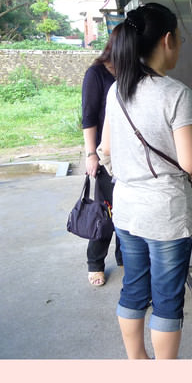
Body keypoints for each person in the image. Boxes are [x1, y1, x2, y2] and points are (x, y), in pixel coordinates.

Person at [100, 3, 192, 359]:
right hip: (164, 214)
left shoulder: (116, 91)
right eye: (179, 39)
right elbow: (190, 160)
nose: (178, 45)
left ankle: (137, 362)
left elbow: (104, 151)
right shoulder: (175, 93)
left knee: (134, 287)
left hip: (127, 209)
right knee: (166, 296)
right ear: (167, 40)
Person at [81, 32, 122, 287]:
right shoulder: (96, 74)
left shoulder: (131, 72)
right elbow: (89, 117)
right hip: (105, 155)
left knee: (126, 210)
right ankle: (95, 262)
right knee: (106, 211)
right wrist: (91, 153)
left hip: (129, 154)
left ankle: (123, 256)